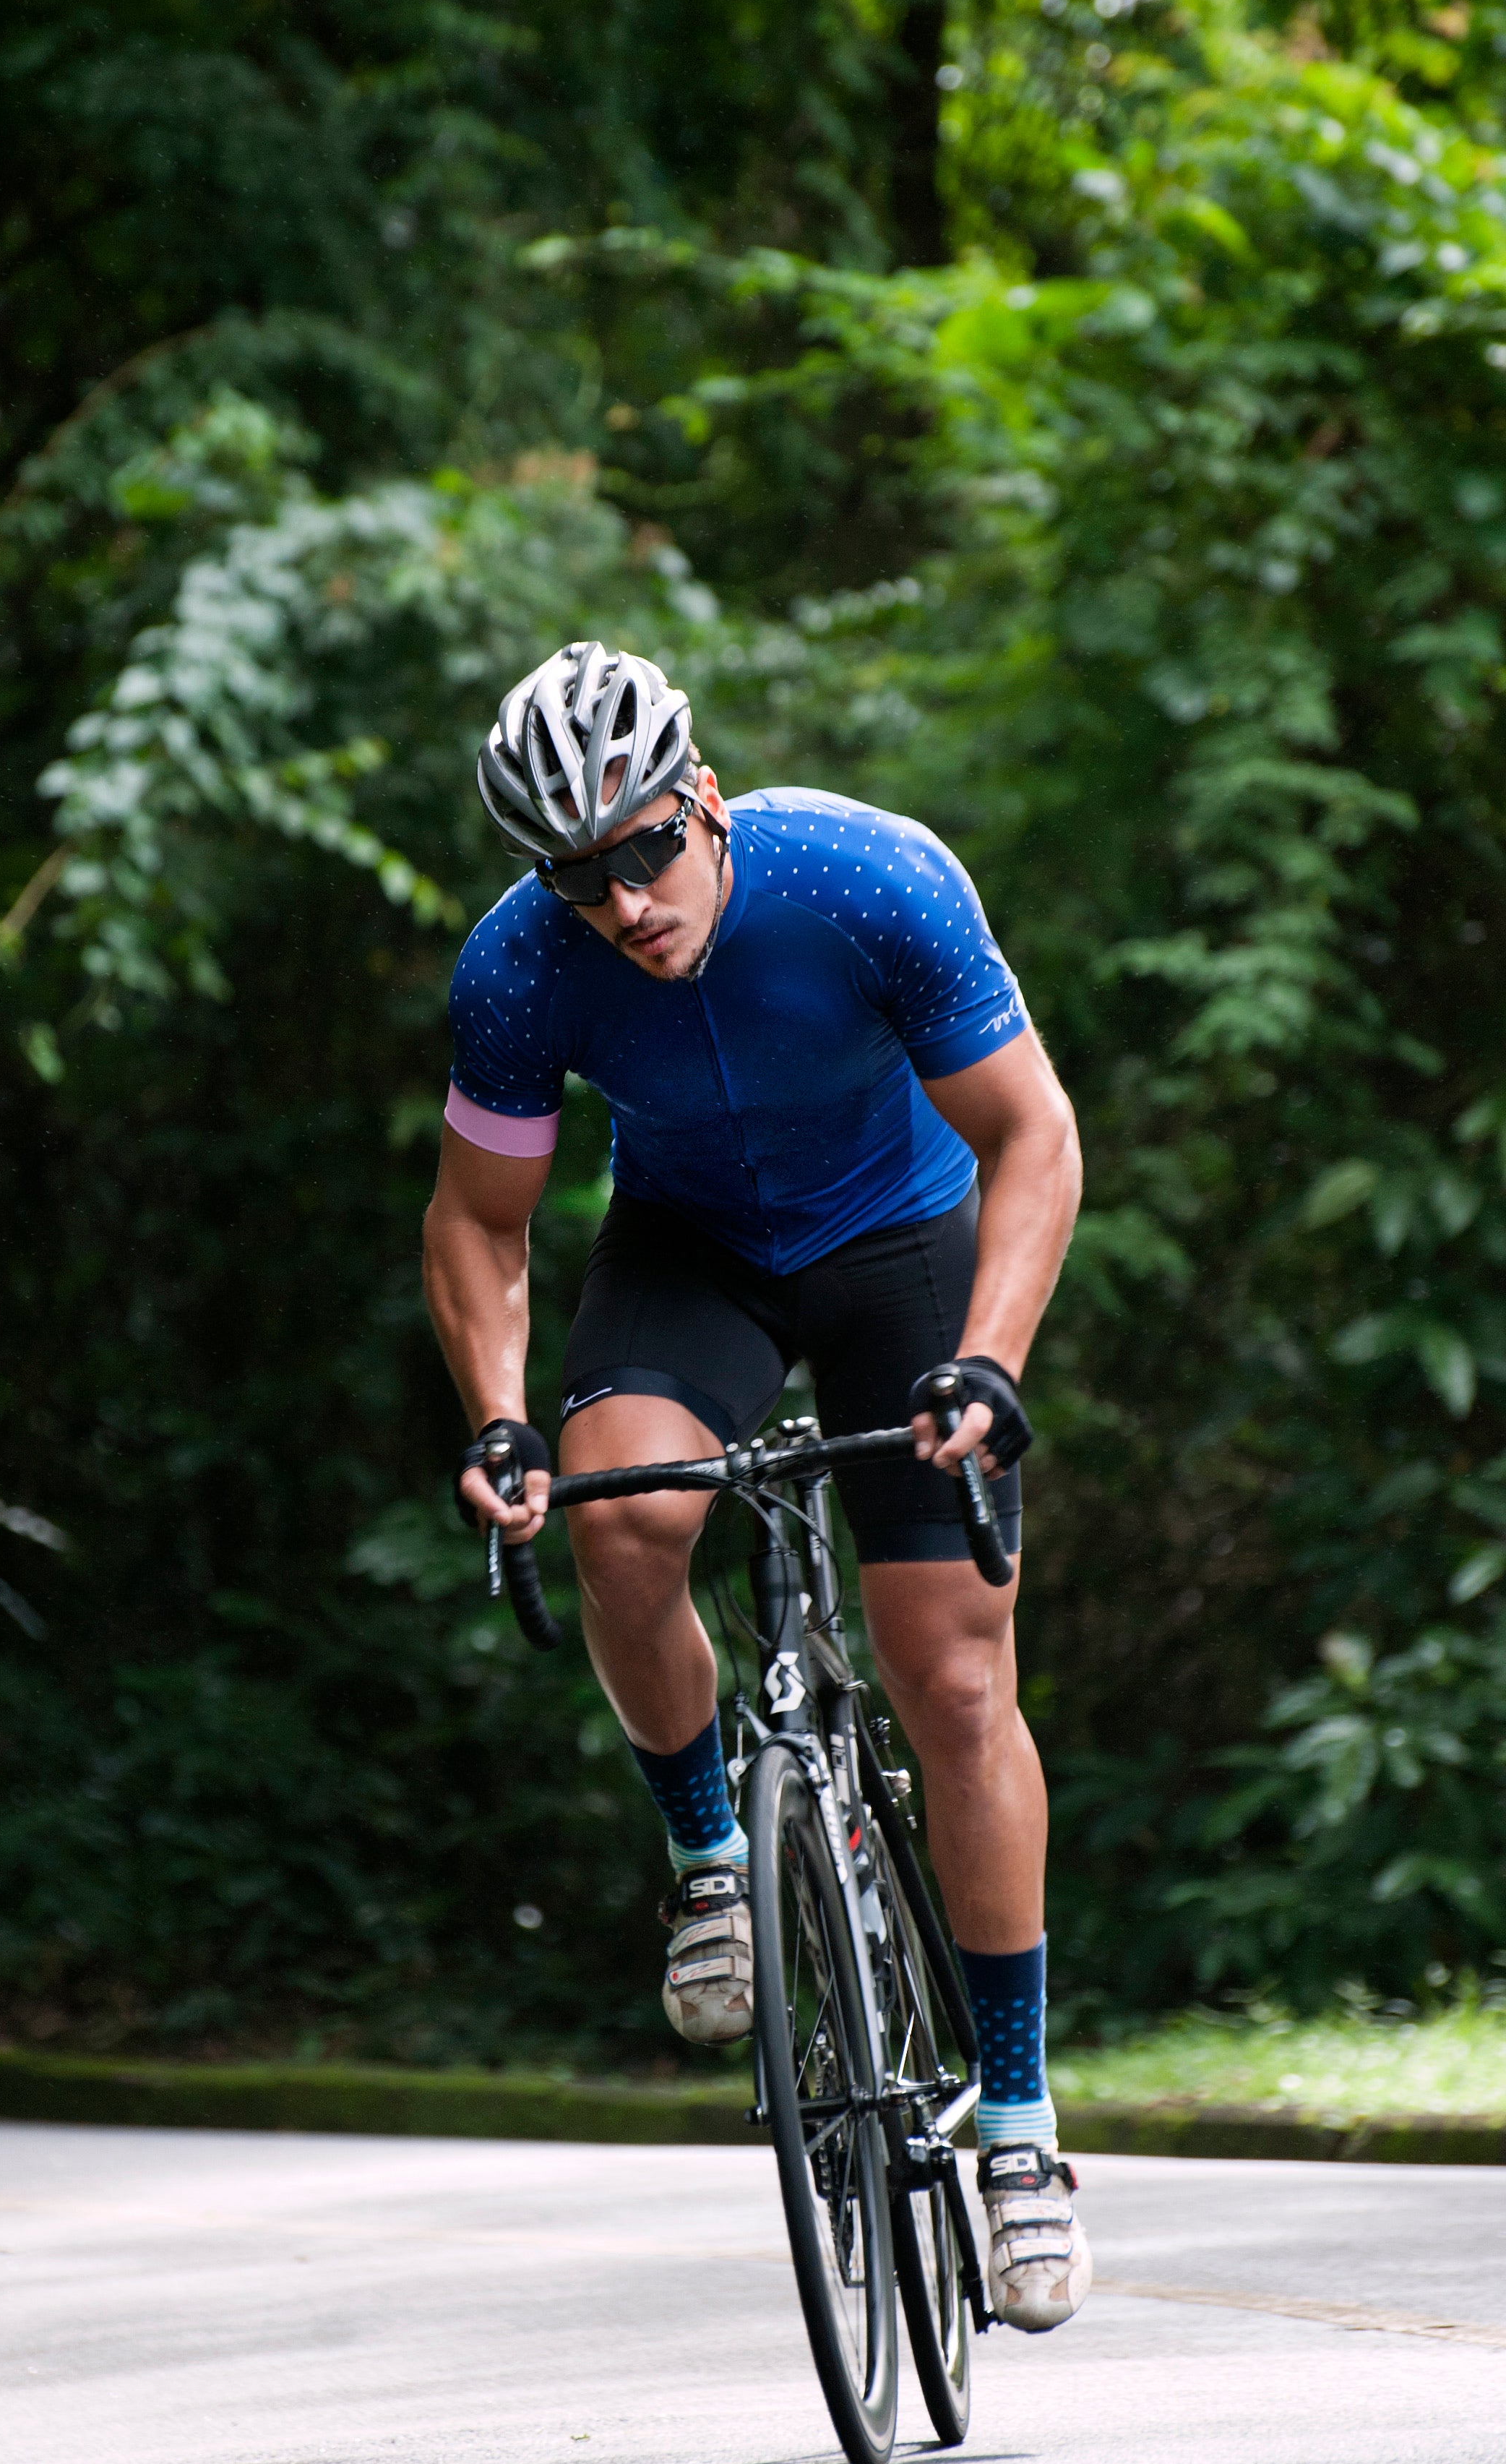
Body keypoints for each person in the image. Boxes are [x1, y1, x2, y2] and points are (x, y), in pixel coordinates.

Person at [421, 639, 1090, 2332]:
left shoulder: (868, 878)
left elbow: (1034, 1136)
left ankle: (1016, 2131)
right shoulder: (519, 975)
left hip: (901, 1246)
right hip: (693, 1249)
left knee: (951, 1674)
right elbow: (479, 1222)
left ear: (702, 798)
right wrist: (499, 1417)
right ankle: (712, 1852)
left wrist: (993, 1360)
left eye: (647, 846)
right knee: (626, 1519)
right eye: (582, 876)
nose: (628, 899)